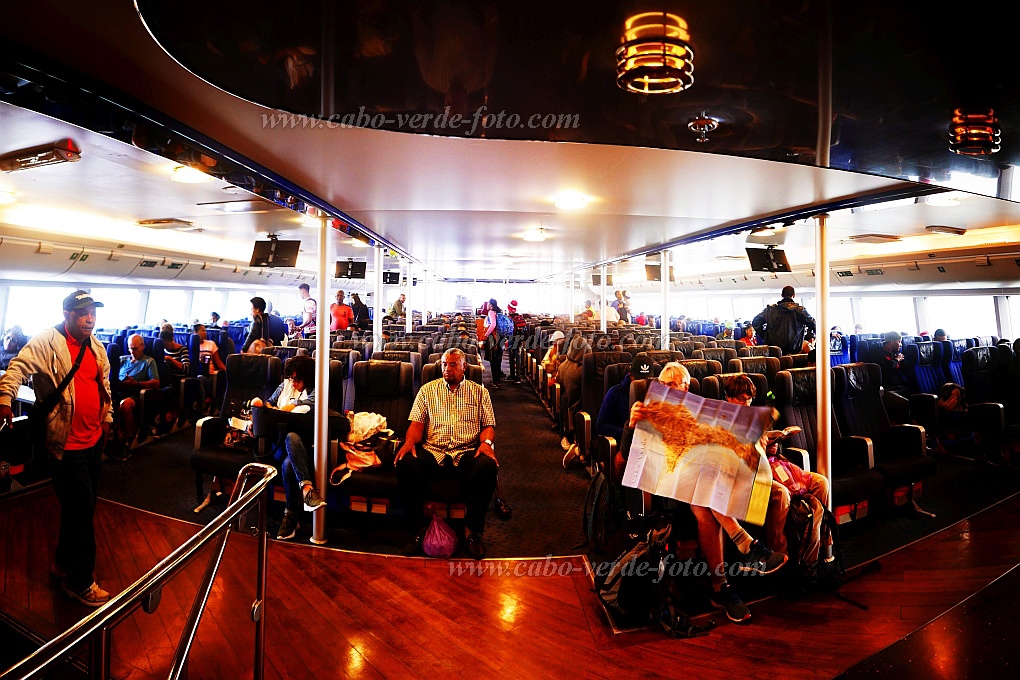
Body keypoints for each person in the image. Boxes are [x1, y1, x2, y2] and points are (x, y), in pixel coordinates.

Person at [628, 363, 785, 623]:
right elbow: (633, 453)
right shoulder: (649, 407)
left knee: (705, 503)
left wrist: (753, 438)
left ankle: (722, 586)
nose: (671, 389)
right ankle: (746, 547)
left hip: (701, 479)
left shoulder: (698, 411)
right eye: (665, 385)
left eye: (676, 385)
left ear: (687, 388)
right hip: (667, 483)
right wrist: (631, 425)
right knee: (707, 492)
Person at [0, 290, 114, 606]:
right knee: (81, 513)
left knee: (81, 509)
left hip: (92, 441)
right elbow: (16, 368)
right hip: (66, 446)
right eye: (83, 313)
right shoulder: (46, 341)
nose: (90, 318)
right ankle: (80, 582)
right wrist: (4, 399)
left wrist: (107, 416)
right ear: (67, 314)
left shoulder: (97, 346)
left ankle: (64, 563)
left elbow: (104, 385)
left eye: (93, 312)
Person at [395, 348, 497, 560]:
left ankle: (472, 531)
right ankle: (417, 529)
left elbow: (488, 426)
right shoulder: (427, 391)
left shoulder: (480, 392)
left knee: (487, 466)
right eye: (444, 365)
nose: (447, 369)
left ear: (464, 367)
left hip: (466, 451)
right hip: (434, 451)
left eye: (452, 365)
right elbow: (416, 425)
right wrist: (409, 442)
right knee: (406, 463)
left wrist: (486, 443)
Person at [722, 374, 829, 570]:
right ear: (728, 398)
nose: (746, 404)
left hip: (770, 467)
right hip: (745, 477)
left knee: (821, 482)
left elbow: (767, 453)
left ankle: (817, 548)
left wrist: (772, 446)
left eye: (749, 399)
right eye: (740, 400)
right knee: (781, 493)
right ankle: (780, 554)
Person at [250, 355, 327, 540]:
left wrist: (288, 407)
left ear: (307, 378)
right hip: (278, 445)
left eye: (297, 379)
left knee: (288, 461)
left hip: (304, 449)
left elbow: (311, 404)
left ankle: (290, 515)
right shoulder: (283, 386)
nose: (293, 383)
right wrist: (260, 410)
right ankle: (307, 491)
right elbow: (268, 404)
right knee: (287, 451)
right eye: (291, 378)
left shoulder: (315, 391)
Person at [115, 333, 160, 448]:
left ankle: (125, 441)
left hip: (136, 393)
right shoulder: (122, 360)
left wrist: (136, 383)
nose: (132, 351)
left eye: (135, 349)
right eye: (130, 348)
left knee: (125, 405)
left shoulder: (149, 361)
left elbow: (156, 382)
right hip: (118, 389)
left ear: (142, 346)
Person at [752, 286, 815, 356]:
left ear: (781, 295)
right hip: (794, 351)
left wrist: (765, 336)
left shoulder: (770, 310)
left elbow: (755, 322)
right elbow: (814, 325)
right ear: (794, 295)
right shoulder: (800, 311)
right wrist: (809, 335)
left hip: (774, 351)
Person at [876, 330, 910, 421]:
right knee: (903, 402)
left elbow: (905, 371)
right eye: (899, 342)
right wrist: (897, 360)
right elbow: (886, 367)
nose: (901, 345)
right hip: (887, 389)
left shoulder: (894, 354)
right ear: (891, 342)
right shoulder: (877, 354)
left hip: (899, 387)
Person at [482, 299, 504, 388]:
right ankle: (497, 380)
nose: (487, 306)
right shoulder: (499, 312)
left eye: (488, 304)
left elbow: (493, 324)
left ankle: (495, 382)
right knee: (498, 359)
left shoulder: (491, 312)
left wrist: (486, 334)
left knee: (493, 359)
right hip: (500, 337)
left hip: (493, 338)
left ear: (491, 305)